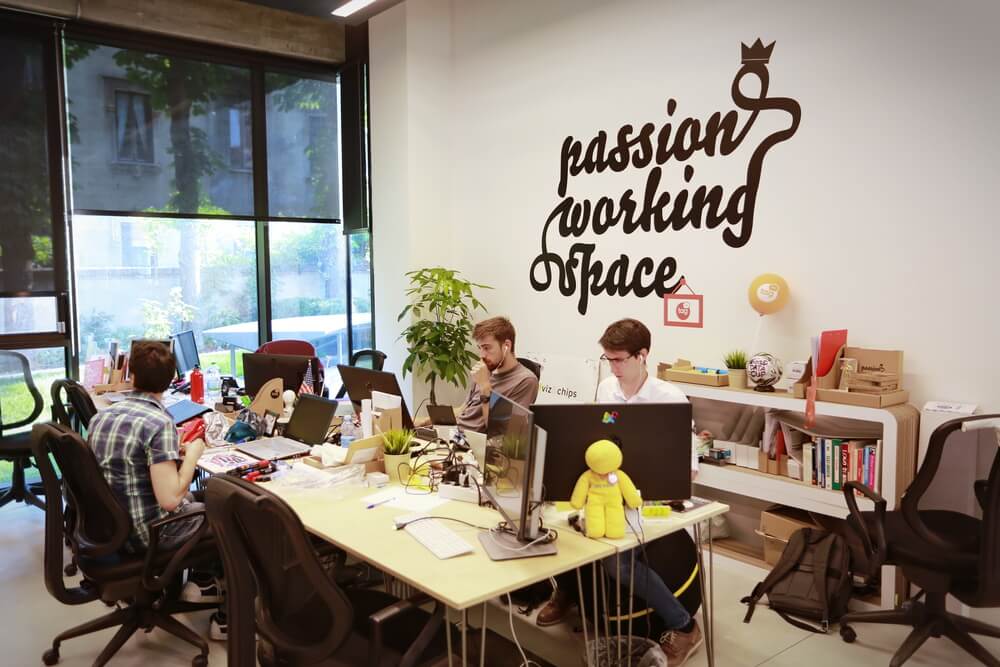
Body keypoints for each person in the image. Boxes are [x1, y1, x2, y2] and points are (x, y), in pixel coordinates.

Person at [537, 319, 704, 666]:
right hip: (607, 491)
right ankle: (568, 593)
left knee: (618, 562)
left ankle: (684, 625)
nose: (612, 368)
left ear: (642, 355)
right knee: (558, 524)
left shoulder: (669, 398)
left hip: (653, 504)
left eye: (618, 360)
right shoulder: (606, 390)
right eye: (607, 360)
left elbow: (687, 468)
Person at [88, 340, 226, 639]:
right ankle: (224, 612)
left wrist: (167, 454)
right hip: (146, 534)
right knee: (229, 513)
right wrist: (192, 455)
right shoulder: (159, 422)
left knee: (205, 497)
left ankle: (199, 583)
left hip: (108, 529)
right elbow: (169, 499)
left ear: (132, 375)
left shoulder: (100, 418)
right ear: (170, 379)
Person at [454, 316, 539, 432]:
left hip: (473, 445)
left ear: (506, 346)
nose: (482, 355)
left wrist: (485, 387)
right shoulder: (485, 370)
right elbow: (463, 410)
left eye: (487, 348)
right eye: (480, 348)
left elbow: (502, 432)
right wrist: (426, 422)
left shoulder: (526, 381)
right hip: (454, 435)